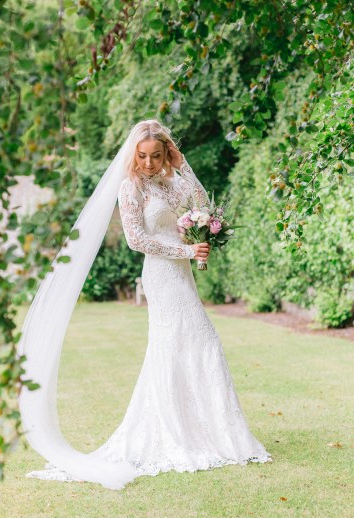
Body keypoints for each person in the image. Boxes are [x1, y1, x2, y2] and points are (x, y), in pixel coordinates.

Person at [19, 119, 271, 489]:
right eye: (143, 156)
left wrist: (184, 165)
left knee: (190, 344)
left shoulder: (175, 182)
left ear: (166, 153)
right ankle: (177, 432)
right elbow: (138, 240)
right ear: (134, 155)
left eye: (157, 156)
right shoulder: (130, 188)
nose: (150, 163)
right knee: (197, 340)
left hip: (182, 273)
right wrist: (186, 248)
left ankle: (207, 431)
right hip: (161, 273)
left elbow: (203, 206)